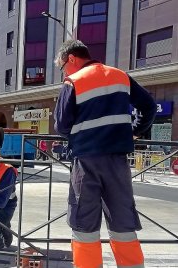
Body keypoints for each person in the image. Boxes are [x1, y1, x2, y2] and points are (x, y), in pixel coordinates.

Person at [53, 40, 156, 268]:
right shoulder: (120, 76)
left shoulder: (74, 82)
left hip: (86, 161)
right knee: (122, 222)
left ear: (71, 59)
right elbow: (148, 105)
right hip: (117, 160)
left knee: (84, 223)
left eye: (62, 67)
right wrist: (134, 131)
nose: (63, 73)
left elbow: (61, 126)